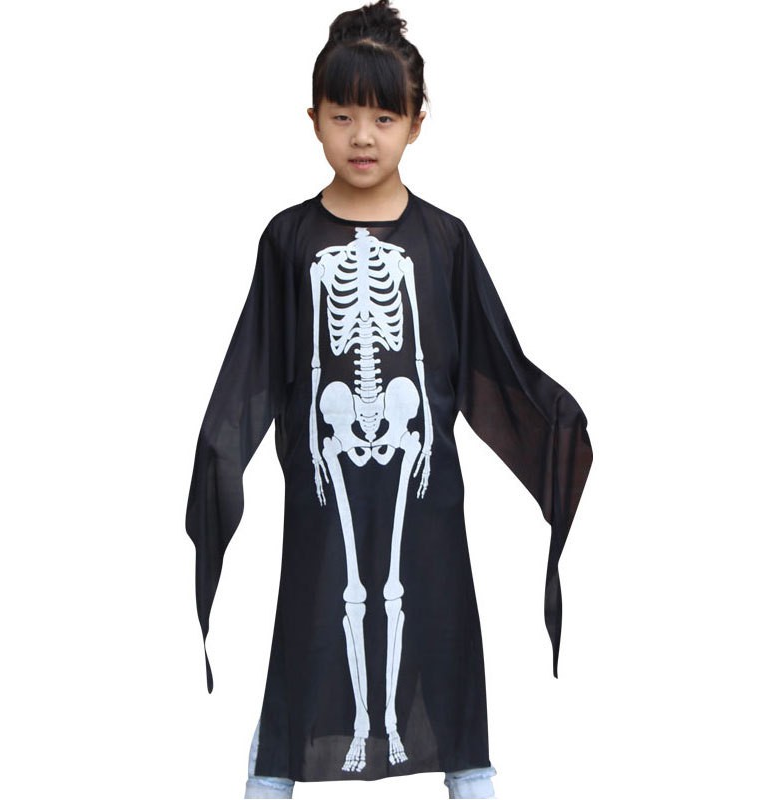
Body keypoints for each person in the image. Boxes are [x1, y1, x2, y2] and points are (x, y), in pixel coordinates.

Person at [184, 1, 593, 797]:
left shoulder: (443, 239)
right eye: (342, 116)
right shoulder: (288, 239)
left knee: (442, 621)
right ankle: (273, 766)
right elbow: (256, 362)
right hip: (324, 485)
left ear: (416, 123)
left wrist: (558, 430)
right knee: (308, 625)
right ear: (313, 119)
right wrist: (218, 453)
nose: (362, 136)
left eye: (382, 117)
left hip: (422, 484)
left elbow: (492, 359)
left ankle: (470, 772)